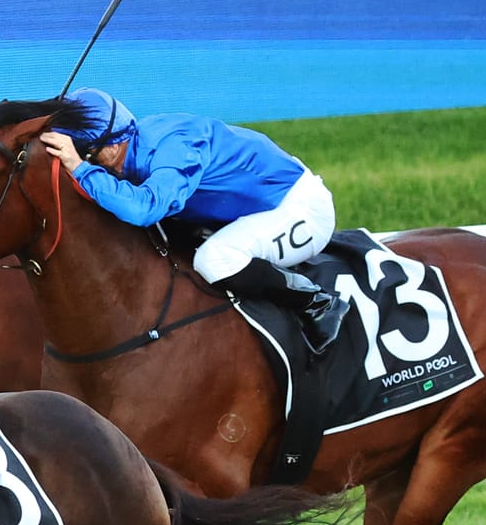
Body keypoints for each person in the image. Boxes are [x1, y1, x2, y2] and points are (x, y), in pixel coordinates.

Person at [39, 87, 348, 354]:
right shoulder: (133, 143)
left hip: (300, 209)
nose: (89, 162)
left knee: (215, 260)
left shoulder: (173, 149)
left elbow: (145, 209)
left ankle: (316, 302)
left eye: (90, 155)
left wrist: (81, 169)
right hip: (252, 205)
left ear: (111, 145)